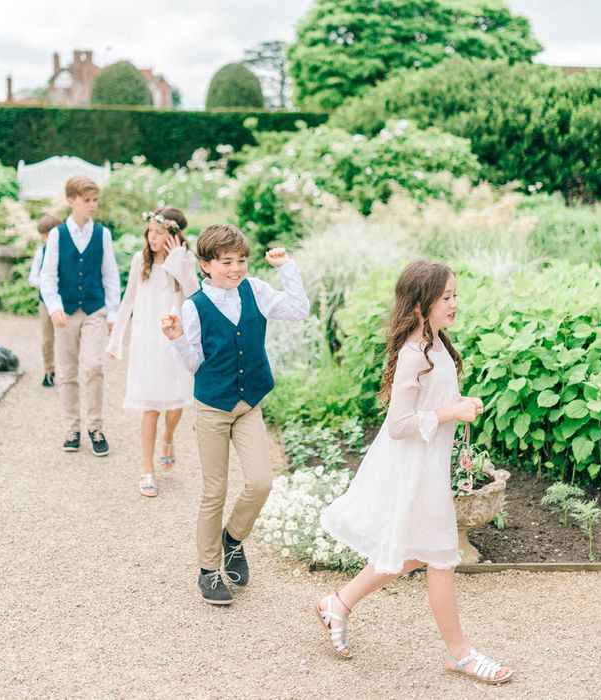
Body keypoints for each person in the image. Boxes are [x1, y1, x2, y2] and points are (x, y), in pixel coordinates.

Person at [315, 259, 513, 685]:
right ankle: (459, 654)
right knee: (441, 559)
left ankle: (338, 603)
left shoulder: (438, 343)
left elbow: (431, 407)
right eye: (447, 297)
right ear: (421, 305)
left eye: (455, 294)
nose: (455, 303)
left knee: (411, 554)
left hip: (429, 468)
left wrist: (460, 408)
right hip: (415, 471)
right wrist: (452, 411)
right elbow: (400, 425)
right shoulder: (412, 353)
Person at [161, 224, 309, 605]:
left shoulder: (256, 290)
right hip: (212, 407)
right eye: (226, 262)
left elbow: (299, 309)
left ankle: (233, 539)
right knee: (215, 490)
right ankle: (209, 570)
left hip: (249, 405)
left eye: (241, 260)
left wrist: (286, 268)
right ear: (207, 265)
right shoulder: (193, 306)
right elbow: (195, 364)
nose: (236, 268)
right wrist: (177, 338)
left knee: (261, 482)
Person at [107, 206, 199, 497]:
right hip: (146, 341)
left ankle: (169, 437)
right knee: (149, 407)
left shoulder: (184, 260)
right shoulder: (140, 260)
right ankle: (147, 469)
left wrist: (177, 261)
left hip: (173, 340)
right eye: (150, 232)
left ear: (173, 235)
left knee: (173, 406)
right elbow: (128, 300)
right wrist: (116, 340)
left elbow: (195, 295)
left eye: (159, 233)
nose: (152, 238)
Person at [39, 175, 120, 457]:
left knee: (94, 366)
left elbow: (110, 277)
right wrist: (54, 306)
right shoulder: (58, 235)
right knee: (67, 372)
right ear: (71, 201)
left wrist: (113, 315)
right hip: (66, 312)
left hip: (95, 310)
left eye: (95, 200)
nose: (93, 205)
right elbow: (47, 276)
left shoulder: (103, 234)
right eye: (87, 200)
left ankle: (96, 427)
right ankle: (72, 428)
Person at [28, 214, 63, 388]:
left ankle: (68, 372)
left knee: (67, 338)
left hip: (65, 300)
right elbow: (33, 277)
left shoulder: (67, 251)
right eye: (44, 235)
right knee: (47, 339)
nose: (46, 238)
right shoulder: (41, 253)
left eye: (49, 234)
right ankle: (49, 371)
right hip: (46, 301)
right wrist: (47, 283)